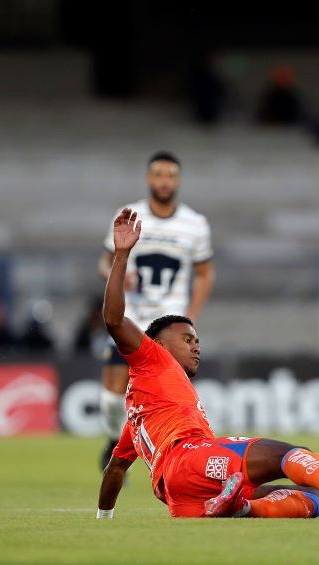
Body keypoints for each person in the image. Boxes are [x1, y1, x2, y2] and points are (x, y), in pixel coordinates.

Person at [97, 208, 319, 519]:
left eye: (197, 341)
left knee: (308, 499)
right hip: (191, 458)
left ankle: (244, 507)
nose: (197, 347)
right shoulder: (153, 358)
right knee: (289, 454)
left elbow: (115, 469)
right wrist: (122, 255)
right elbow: (113, 320)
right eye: (188, 339)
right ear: (159, 344)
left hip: (177, 497)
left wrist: (104, 518)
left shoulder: (140, 415)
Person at [97, 151, 215, 469]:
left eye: (171, 175)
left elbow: (205, 274)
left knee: (174, 399)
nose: (164, 180)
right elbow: (104, 263)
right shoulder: (130, 215)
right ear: (149, 179)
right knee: (110, 400)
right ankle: (115, 440)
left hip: (168, 327)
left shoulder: (195, 224)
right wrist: (120, 275)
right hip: (131, 320)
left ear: (178, 181)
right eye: (159, 174)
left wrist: (189, 317)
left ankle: (181, 453)